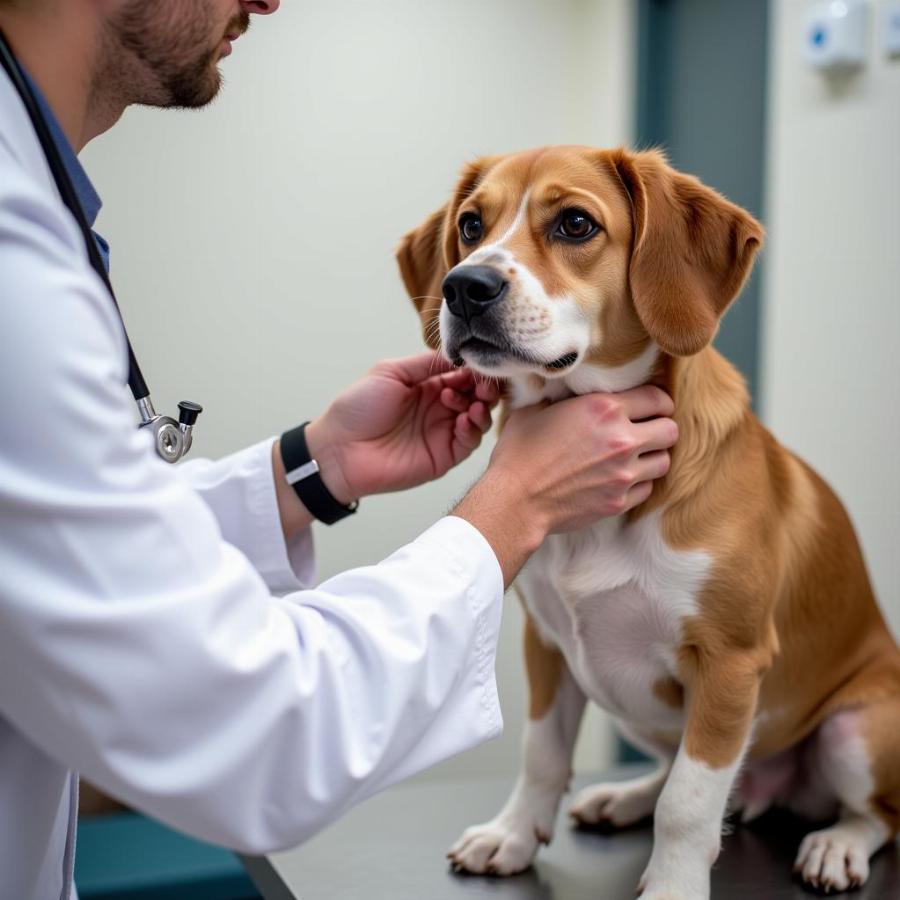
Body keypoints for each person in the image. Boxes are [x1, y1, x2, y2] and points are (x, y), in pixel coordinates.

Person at [0, 2, 678, 899]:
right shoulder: (15, 261)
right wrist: (510, 506)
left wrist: (311, 471)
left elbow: (61, 556)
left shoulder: (36, 208)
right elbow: (250, 731)